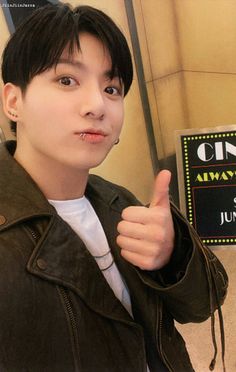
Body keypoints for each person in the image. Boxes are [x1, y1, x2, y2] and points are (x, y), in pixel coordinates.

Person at [0, 3, 228, 372]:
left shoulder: (118, 202)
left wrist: (173, 256)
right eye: (66, 80)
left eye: (111, 87)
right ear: (14, 101)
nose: (97, 105)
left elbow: (205, 304)